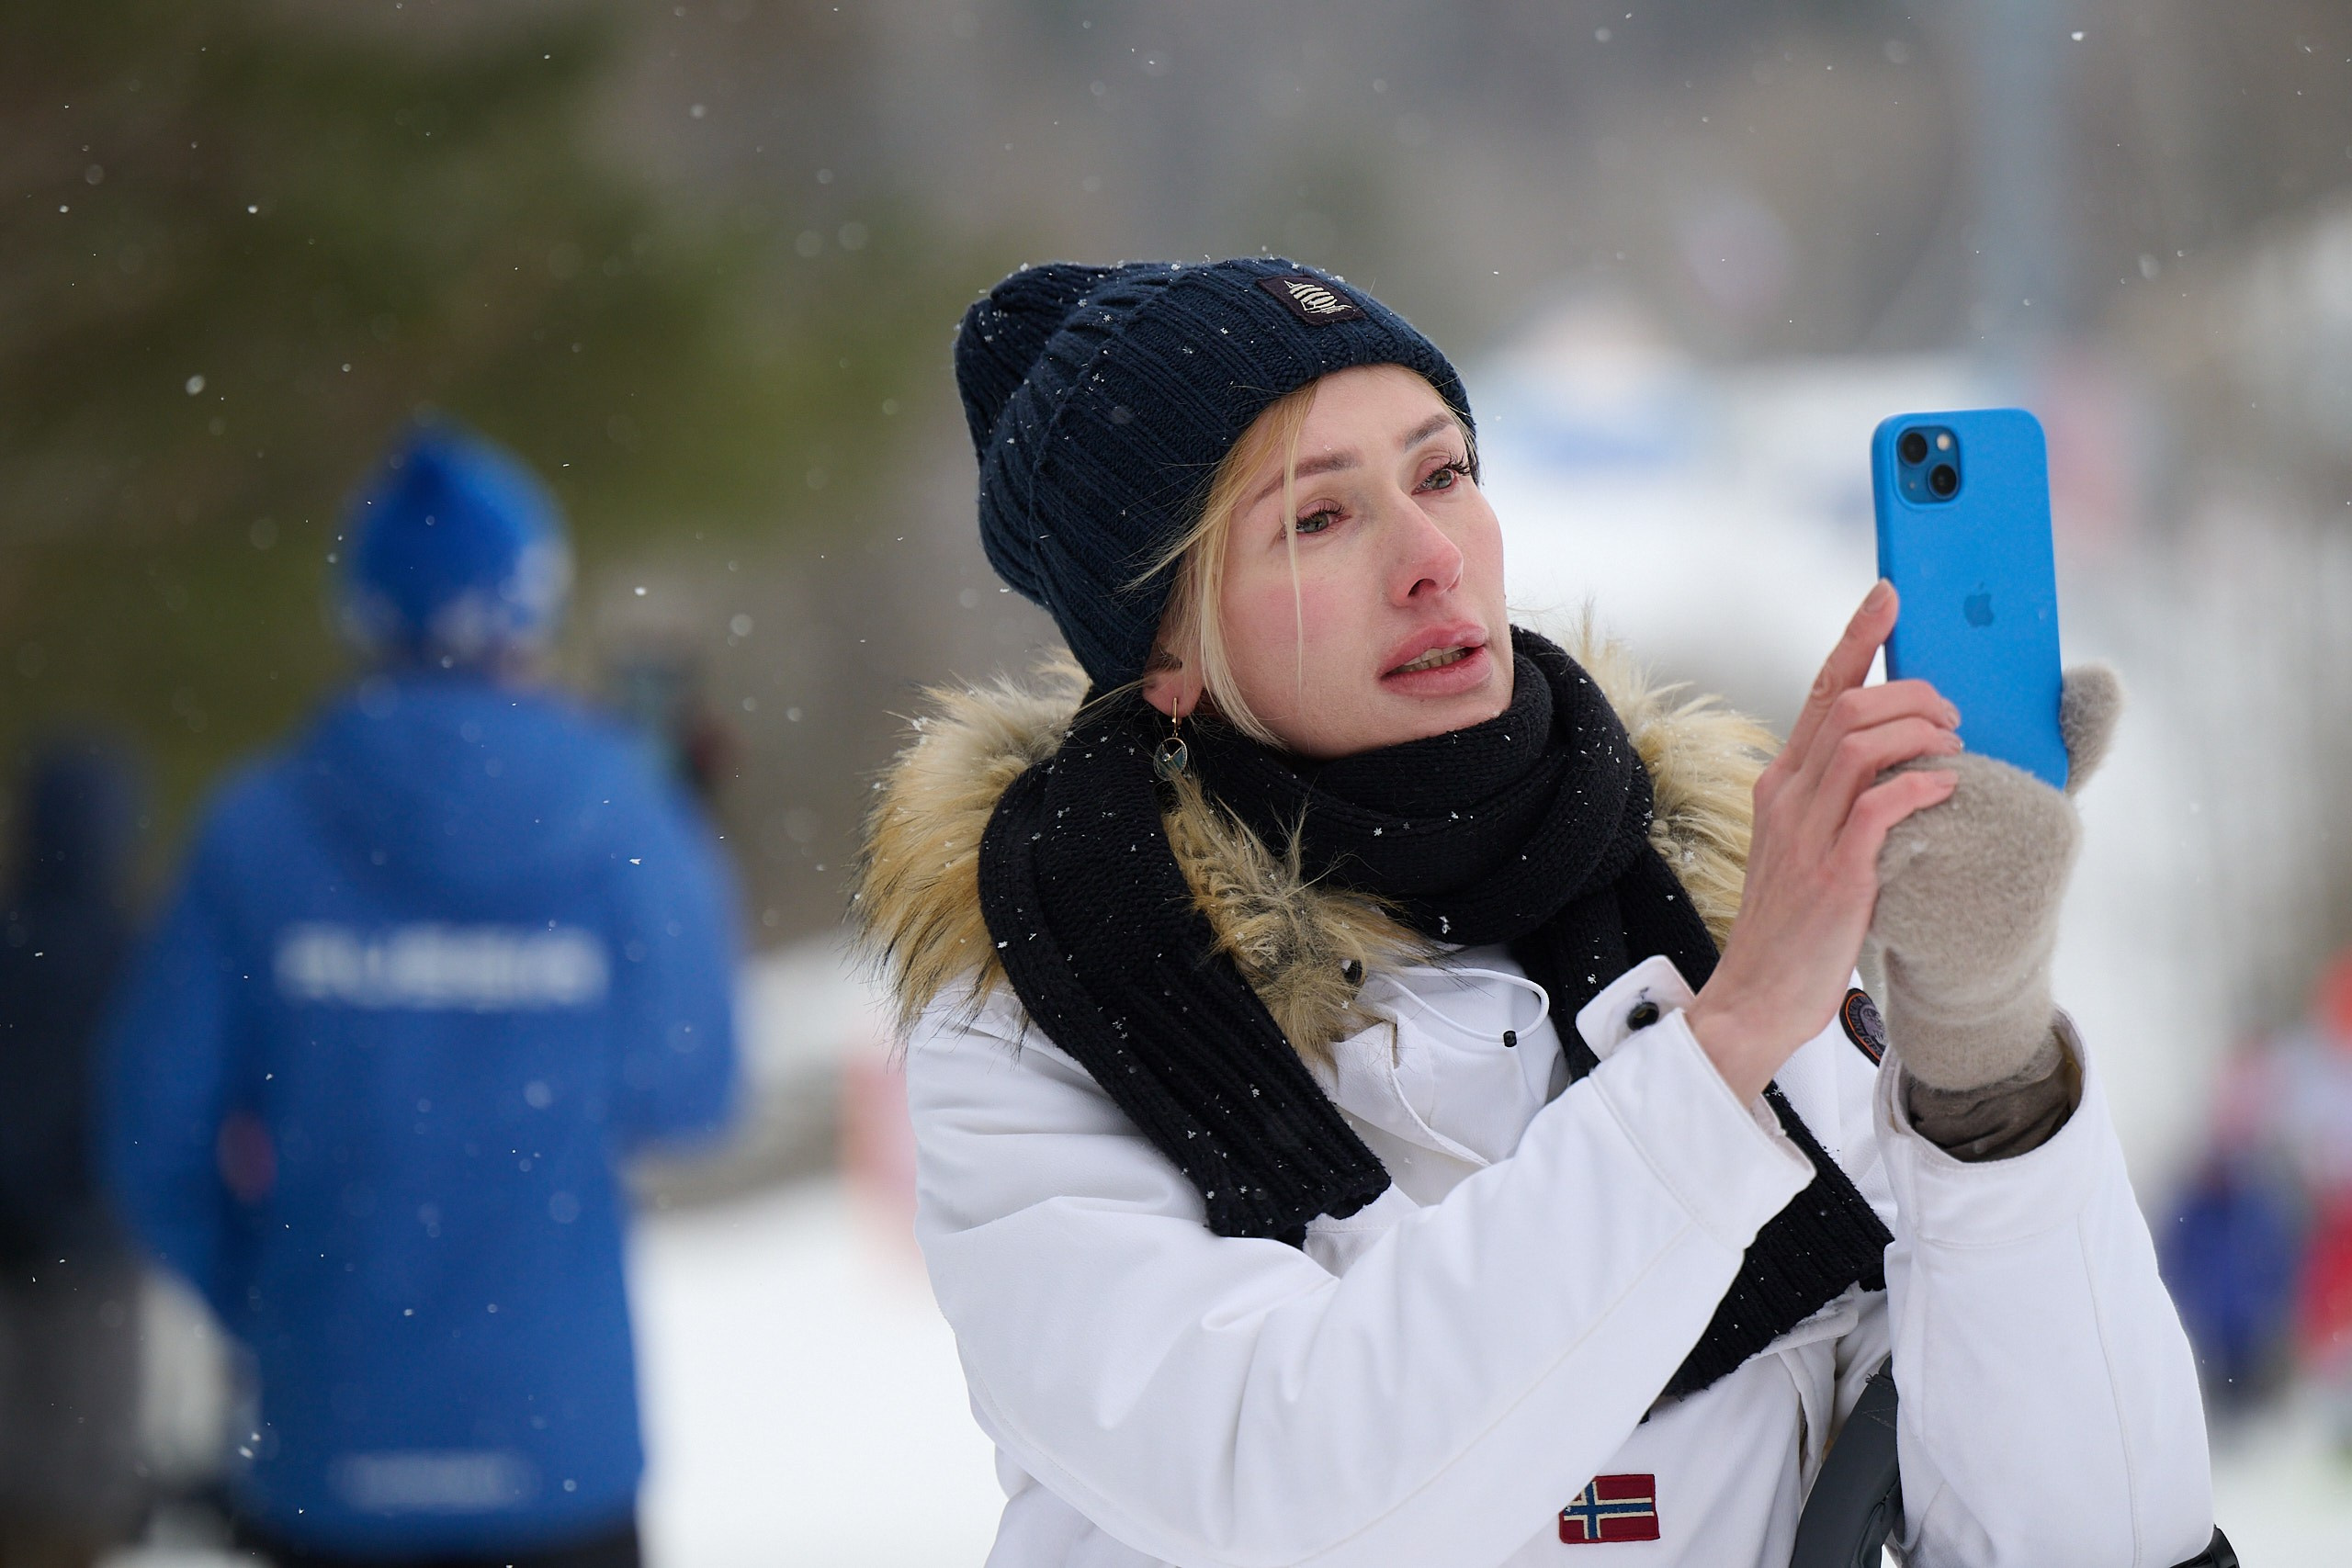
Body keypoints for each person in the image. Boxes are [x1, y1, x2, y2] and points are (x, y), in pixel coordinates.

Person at [856, 260, 2216, 1566]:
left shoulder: (1695, 915)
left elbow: (2088, 1537)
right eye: (1318, 518)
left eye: (1442, 472)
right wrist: (1720, 1052)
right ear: (1163, 655)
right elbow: (1291, 1480)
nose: (1430, 559)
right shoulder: (1047, 1006)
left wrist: (1982, 1047)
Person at [102, 423, 738, 1568]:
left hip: (331, 1449)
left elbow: (151, 1131)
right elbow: (693, 1092)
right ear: (532, 605)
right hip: (559, 1450)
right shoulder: (626, 819)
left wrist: (272, 1303)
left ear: (365, 611)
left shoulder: (256, 830)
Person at [0, 739, 148, 1568]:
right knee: (85, 1473)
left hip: (12, 1233)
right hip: (96, 1239)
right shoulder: (137, 952)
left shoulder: (11, 940)